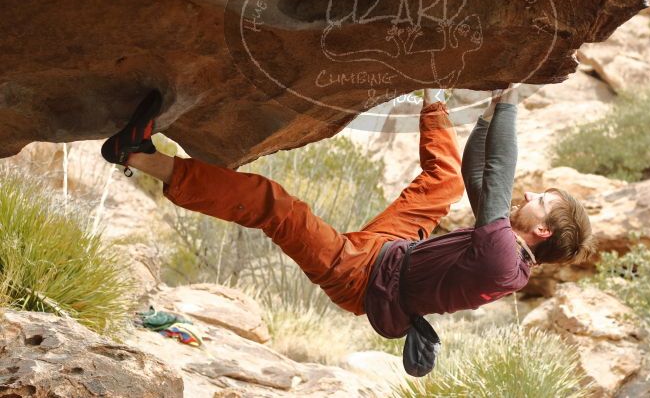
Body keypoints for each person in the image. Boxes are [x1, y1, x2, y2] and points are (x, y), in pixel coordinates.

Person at [101, 86, 593, 376]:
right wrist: (489, 106)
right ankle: (434, 92)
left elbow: (500, 171)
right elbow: (477, 175)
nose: (528, 197)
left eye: (540, 202)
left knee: (277, 207)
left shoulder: (504, 261)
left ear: (543, 231)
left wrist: (510, 100)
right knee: (441, 184)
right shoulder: (506, 249)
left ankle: (138, 155)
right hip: (393, 254)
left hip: (360, 276)